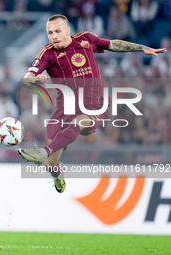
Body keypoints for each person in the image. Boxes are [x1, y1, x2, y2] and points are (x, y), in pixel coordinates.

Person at [18, 14, 167, 193]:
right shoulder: (48, 53)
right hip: (64, 108)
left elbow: (113, 44)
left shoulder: (85, 39)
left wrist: (141, 48)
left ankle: (42, 152)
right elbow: (27, 77)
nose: (54, 36)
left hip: (94, 105)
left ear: (68, 30)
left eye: (58, 31)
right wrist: (35, 80)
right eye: (50, 33)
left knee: (78, 123)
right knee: (51, 164)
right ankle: (57, 175)